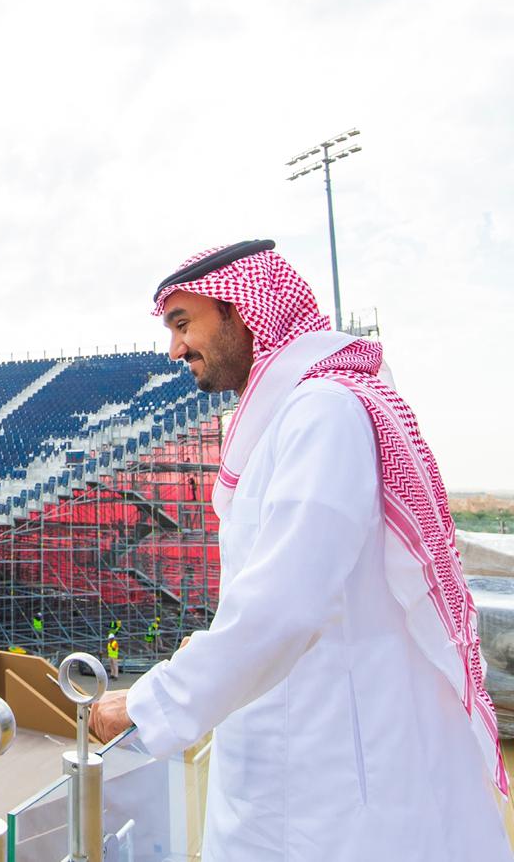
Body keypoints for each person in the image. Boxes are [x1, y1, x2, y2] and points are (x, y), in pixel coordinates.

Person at [89, 239, 512, 860]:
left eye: (184, 323)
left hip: (332, 778)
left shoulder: (323, 414)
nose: (175, 348)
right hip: (282, 753)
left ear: (240, 309)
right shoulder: (284, 416)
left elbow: (284, 605)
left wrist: (149, 703)